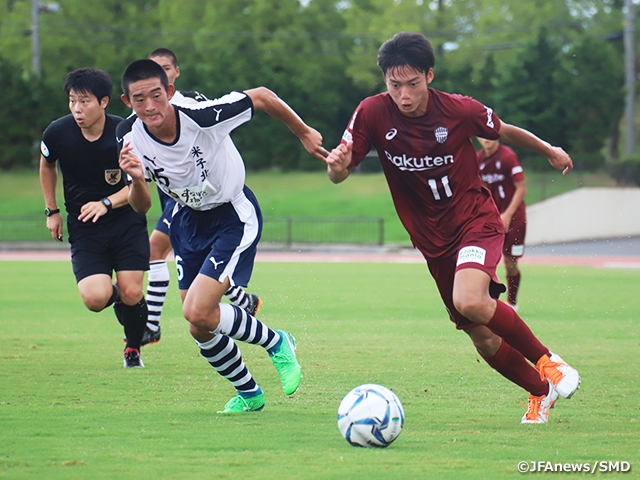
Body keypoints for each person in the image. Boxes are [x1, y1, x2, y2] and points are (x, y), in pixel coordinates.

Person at [325, 32, 580, 424]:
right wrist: (336, 166)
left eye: (413, 84)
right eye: (395, 85)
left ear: (429, 75)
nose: (404, 95)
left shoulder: (459, 110)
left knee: (470, 300)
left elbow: (504, 129)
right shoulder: (372, 113)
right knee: (482, 335)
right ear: (385, 82)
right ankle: (539, 390)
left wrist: (548, 149)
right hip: (433, 241)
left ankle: (550, 362)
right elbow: (339, 175)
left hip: (474, 219)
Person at [116, 59, 328, 412]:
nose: (150, 106)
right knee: (199, 326)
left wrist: (303, 131)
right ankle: (250, 393)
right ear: (128, 102)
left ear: (169, 91)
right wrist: (137, 179)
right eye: (139, 99)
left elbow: (260, 96)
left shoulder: (201, 116)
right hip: (186, 221)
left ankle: (277, 342)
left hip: (232, 215)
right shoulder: (127, 137)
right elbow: (140, 206)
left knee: (197, 310)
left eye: (156, 95)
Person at [137, 48, 261, 346]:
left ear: (175, 73)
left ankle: (151, 325)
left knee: (157, 251)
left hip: (204, 202)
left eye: (165, 68)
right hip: (178, 204)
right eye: (154, 69)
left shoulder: (191, 105)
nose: (161, 73)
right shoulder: (140, 115)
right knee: (195, 309)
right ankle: (242, 300)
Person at [39, 68, 149, 369]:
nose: (77, 108)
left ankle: (133, 347)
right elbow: (47, 165)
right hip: (85, 227)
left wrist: (105, 203)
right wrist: (52, 211)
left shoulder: (125, 133)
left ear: (104, 102)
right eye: (73, 101)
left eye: (84, 101)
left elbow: (137, 186)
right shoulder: (57, 133)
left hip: (126, 222)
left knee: (133, 291)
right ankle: (123, 302)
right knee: (94, 298)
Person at [477, 138, 527, 311]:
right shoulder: (478, 159)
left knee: (509, 263)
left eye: (489, 135)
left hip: (515, 219)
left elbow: (521, 187)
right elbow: (480, 188)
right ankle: (487, 300)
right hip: (492, 219)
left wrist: (508, 214)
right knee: (484, 259)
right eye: (481, 136)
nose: (486, 139)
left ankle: (512, 303)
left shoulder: (507, 156)